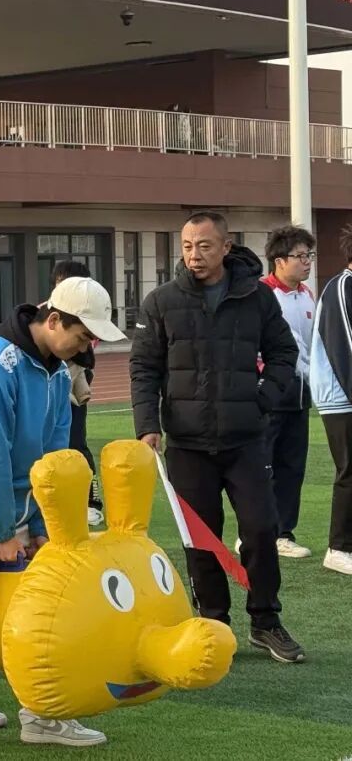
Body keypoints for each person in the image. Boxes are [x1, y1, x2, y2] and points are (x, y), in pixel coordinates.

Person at [0, 277, 125, 760]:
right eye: (83, 335)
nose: (86, 347)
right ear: (53, 320)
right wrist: (3, 529)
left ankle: (42, 715)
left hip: (19, 507)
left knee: (45, 613)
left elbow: (54, 456)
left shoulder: (58, 372)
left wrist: (41, 525)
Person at [130, 211, 305, 663]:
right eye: (187, 246)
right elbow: (144, 367)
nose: (194, 255)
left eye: (204, 246)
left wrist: (263, 399)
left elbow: (284, 352)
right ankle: (213, 623)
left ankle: (265, 621)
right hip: (187, 444)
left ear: (226, 247)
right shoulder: (161, 301)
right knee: (201, 539)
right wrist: (147, 426)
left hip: (245, 439)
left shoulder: (256, 298)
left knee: (262, 529)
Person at [260, 226, 317, 559]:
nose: (307, 262)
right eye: (300, 256)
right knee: (262, 466)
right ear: (279, 260)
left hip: (300, 394)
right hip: (271, 392)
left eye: (309, 255)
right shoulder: (263, 294)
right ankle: (256, 531)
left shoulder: (307, 295)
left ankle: (283, 533)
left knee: (292, 466)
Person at [309, 224, 352, 577]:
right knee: (350, 470)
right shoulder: (342, 287)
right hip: (341, 397)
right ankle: (339, 548)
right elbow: (345, 349)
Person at [49, 260, 102, 526]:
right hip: (49, 382)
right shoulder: (46, 313)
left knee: (76, 441)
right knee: (49, 444)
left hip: (74, 380)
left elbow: (86, 355)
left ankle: (91, 501)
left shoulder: (90, 315)